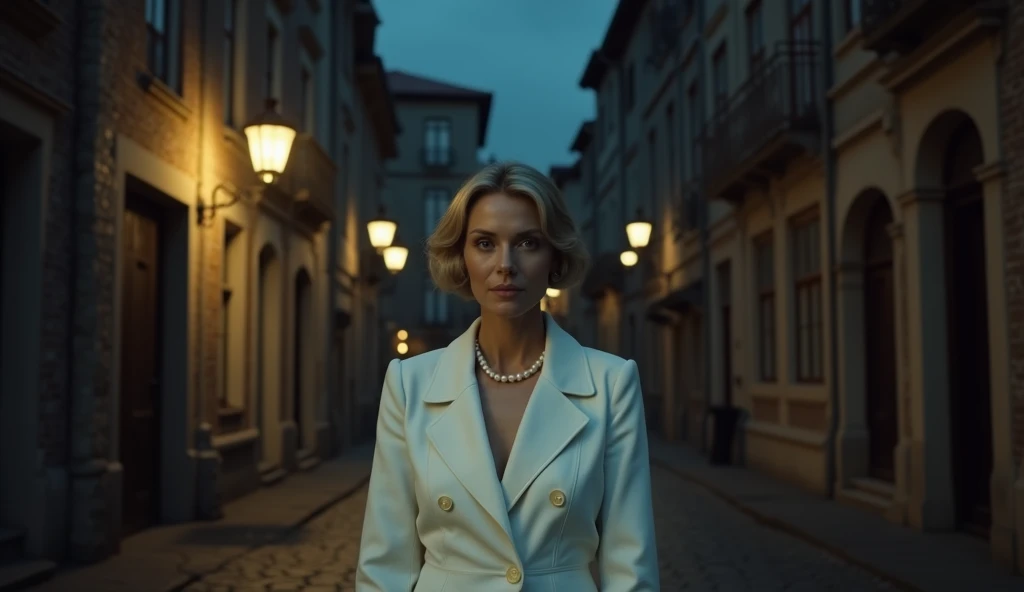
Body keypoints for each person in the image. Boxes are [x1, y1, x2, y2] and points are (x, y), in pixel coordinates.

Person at [356, 161, 659, 591]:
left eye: (528, 243)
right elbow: (384, 563)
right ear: (461, 257)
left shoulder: (611, 385)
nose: (506, 264)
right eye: (484, 243)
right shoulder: (410, 385)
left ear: (554, 257)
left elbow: (631, 565)